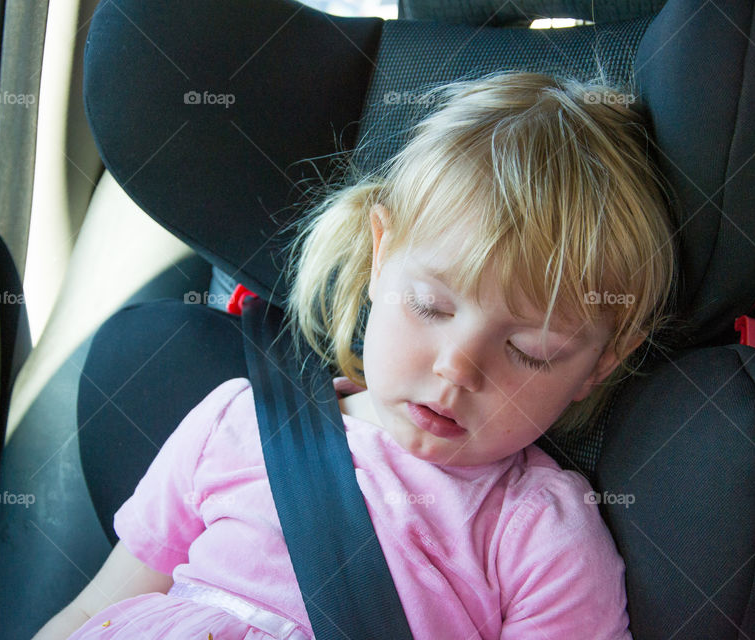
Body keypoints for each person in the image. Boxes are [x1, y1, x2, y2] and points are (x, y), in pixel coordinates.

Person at [33, 70, 676, 639]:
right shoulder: (238, 424)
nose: (458, 368)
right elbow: (96, 610)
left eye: (529, 350)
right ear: (379, 253)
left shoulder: (538, 535)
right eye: (430, 307)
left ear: (599, 365)